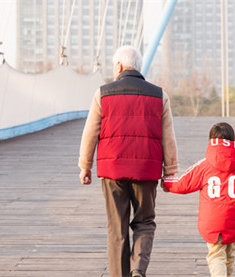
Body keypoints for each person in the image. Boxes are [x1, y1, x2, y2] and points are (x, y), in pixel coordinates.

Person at [78, 45, 178, 277]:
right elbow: (168, 136)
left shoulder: (102, 93)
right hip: (146, 169)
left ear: (119, 66)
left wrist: (85, 165)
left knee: (117, 228)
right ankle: (138, 270)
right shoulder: (159, 95)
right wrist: (170, 170)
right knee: (145, 221)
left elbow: (90, 132)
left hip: (112, 169)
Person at [162, 122, 235, 277]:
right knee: (229, 256)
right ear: (233, 140)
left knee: (216, 255)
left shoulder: (205, 165)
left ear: (211, 140)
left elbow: (184, 183)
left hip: (212, 221)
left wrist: (167, 182)